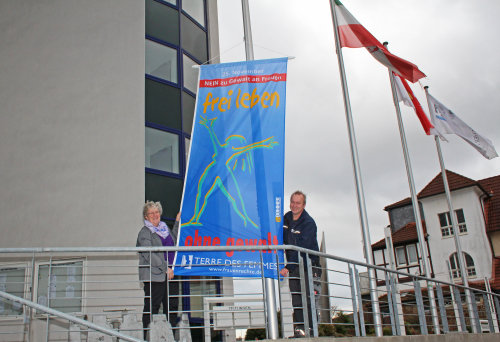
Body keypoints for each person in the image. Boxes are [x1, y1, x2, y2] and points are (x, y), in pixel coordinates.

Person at [279, 191, 320, 337]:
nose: (294, 205)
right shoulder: (286, 218)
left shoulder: (308, 223)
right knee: (296, 298)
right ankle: (300, 332)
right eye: (292, 202)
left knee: (308, 299)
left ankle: (312, 331)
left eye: (298, 203)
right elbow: (279, 237)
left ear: (303, 205)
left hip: (309, 266)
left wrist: (287, 267)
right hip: (294, 266)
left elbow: (301, 249)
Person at [137, 201, 180, 339]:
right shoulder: (145, 232)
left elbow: (175, 240)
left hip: (171, 274)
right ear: (146, 216)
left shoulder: (164, 228)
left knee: (172, 307)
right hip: (155, 276)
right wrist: (165, 267)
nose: (155, 215)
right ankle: (148, 336)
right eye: (151, 213)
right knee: (152, 307)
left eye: (157, 212)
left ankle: (170, 336)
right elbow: (149, 254)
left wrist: (177, 222)